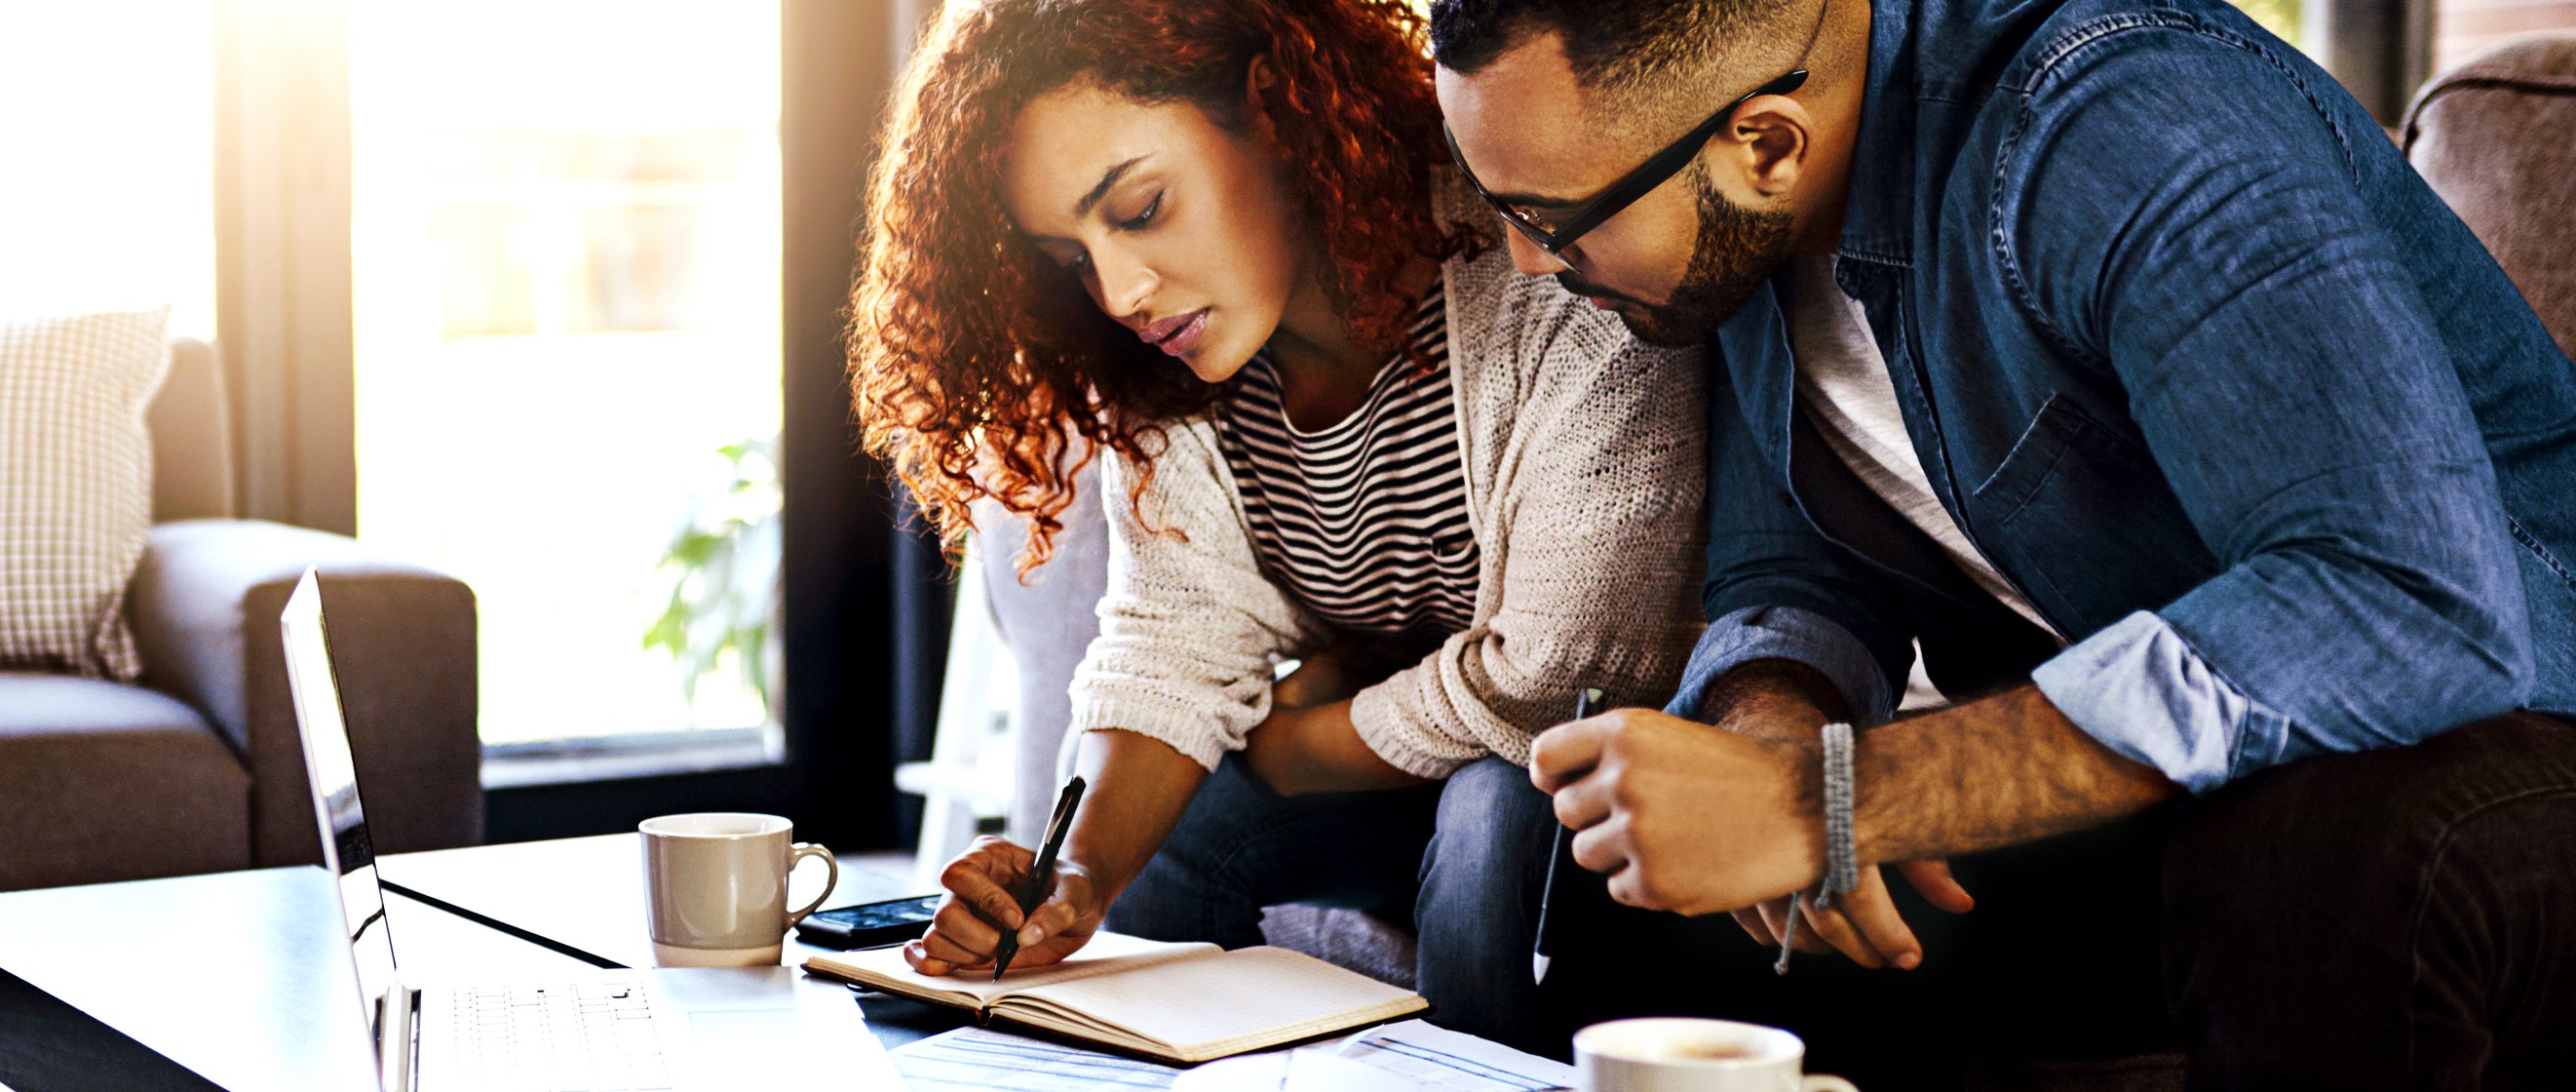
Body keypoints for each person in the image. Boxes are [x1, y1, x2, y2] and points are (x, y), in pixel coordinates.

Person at [1430, 0, 2576, 1085]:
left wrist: (1836, 800)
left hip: (2506, 736)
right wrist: (1774, 731)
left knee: (2317, 856)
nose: (1526, 264)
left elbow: (2407, 596)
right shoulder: (1743, 226)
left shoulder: (2116, 116)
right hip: (2202, 783)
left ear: (1766, 143)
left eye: (1549, 218)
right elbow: (1791, 568)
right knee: (1603, 875)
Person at [846, 0, 1711, 1039]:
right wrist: (1069, 876)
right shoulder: (1170, 370)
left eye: (1138, 207)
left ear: (1271, 108)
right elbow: (1173, 641)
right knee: (1179, 831)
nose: (1119, 291)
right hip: (1411, 769)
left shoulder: (1535, 252)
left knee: (1493, 811)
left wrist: (1309, 743)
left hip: (1598, 781)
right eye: (1072, 256)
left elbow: (1561, 675)